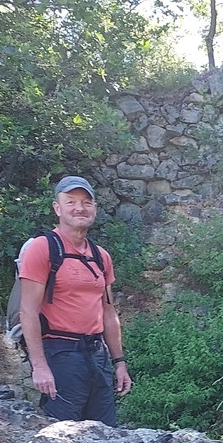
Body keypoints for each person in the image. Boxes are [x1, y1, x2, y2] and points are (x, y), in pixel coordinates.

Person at [18, 176, 132, 425]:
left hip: (97, 354)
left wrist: (119, 363)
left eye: (86, 202)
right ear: (57, 208)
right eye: (70, 201)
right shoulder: (43, 248)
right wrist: (40, 366)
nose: (79, 208)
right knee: (62, 432)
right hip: (60, 354)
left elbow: (108, 312)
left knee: (105, 432)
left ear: (95, 209)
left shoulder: (101, 256)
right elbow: (27, 311)